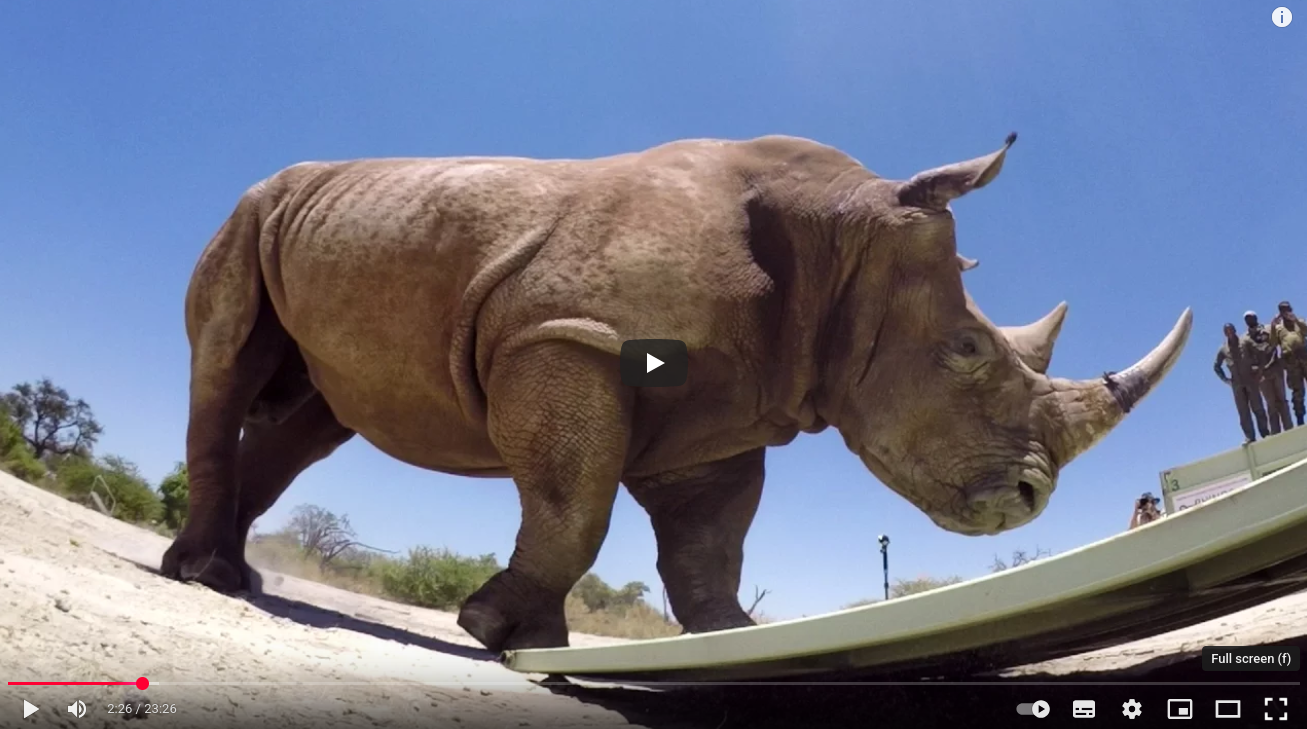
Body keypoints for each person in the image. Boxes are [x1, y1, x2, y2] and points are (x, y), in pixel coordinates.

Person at [1214, 322, 1269, 443]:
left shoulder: (1245, 341)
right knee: (1243, 413)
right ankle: (1250, 437)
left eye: (1231, 330)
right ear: (1225, 334)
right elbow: (1216, 366)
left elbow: (1259, 351)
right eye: (1226, 331)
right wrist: (1225, 380)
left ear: (1234, 330)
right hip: (1237, 384)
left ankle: (1265, 433)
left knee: (1258, 408)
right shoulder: (1223, 349)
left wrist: (1259, 370)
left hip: (1250, 380)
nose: (1229, 333)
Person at [1244, 310, 1293, 434]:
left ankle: (1289, 428)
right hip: (1261, 375)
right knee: (1271, 404)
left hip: (1275, 368)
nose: (1249, 320)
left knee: (1282, 400)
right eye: (1246, 318)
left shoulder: (1268, 328)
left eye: (1251, 317)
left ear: (1256, 317)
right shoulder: (1245, 339)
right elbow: (1246, 357)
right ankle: (1275, 432)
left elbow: (1278, 340)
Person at [1270, 300, 1307, 427]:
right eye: (1282, 310)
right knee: (1297, 390)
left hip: (1304, 357)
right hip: (1291, 362)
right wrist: (1273, 327)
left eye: (1287, 309)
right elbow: (1273, 344)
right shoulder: (1278, 327)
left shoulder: (1299, 322)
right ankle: (1300, 418)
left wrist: (1296, 320)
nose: (1285, 312)